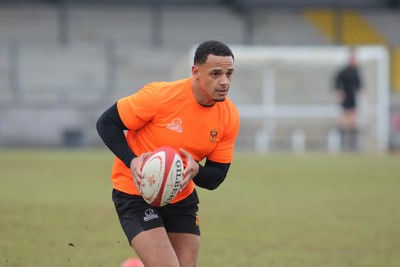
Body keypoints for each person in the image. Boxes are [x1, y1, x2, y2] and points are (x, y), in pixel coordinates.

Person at [96, 40, 240, 267]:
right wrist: (132, 161)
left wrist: (196, 171)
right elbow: (106, 123)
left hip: (181, 198)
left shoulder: (229, 116)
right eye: (215, 73)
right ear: (195, 72)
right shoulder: (160, 96)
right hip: (136, 193)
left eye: (229, 73)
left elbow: (216, 176)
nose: (224, 82)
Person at [334, 49, 363, 151]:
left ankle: (353, 146)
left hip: (353, 100)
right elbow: (337, 83)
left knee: (354, 123)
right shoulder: (343, 72)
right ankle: (342, 145)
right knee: (344, 122)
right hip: (345, 100)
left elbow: (360, 85)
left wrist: (361, 91)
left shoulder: (356, 72)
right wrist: (339, 91)